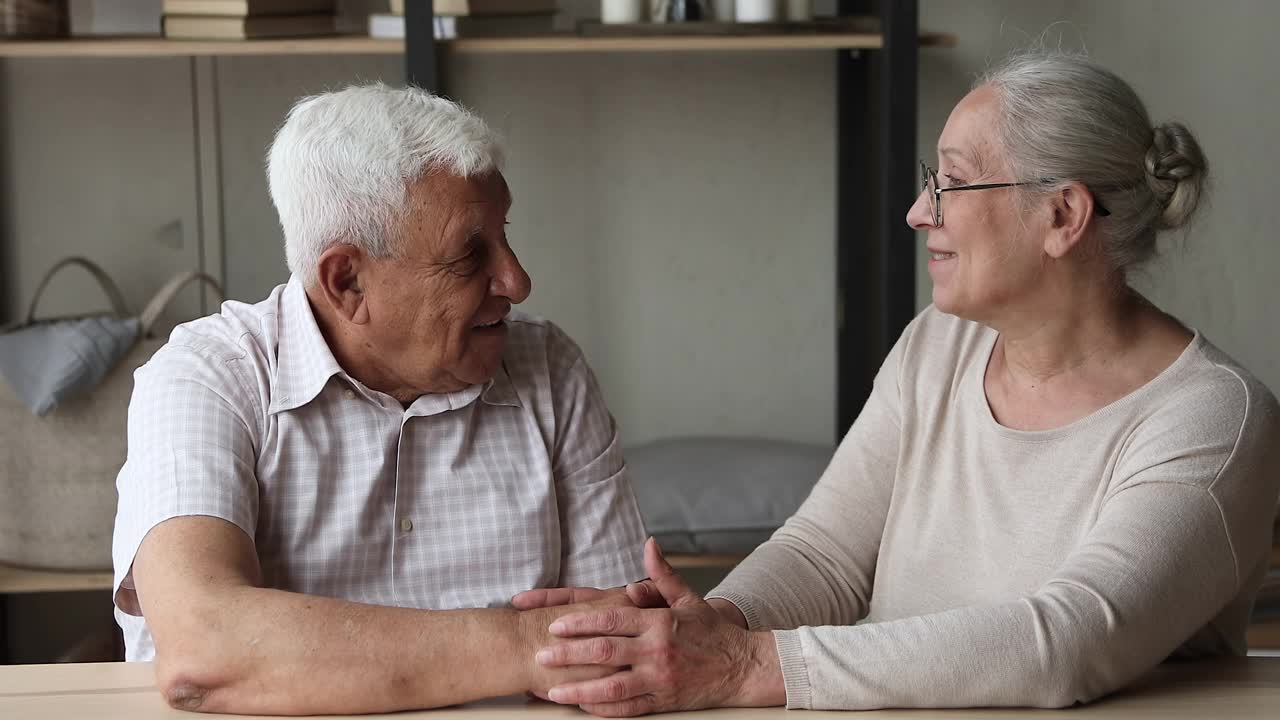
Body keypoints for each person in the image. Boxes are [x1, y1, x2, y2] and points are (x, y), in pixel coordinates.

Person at [515, 51, 1280, 715]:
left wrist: (749, 664)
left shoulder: (1213, 416)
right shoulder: (939, 345)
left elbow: (1069, 641)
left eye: (951, 184)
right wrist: (714, 625)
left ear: (1061, 215)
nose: (919, 213)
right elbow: (825, 554)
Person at [111, 83, 648, 715]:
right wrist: (525, 644)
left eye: (504, 235)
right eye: (470, 252)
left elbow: (624, 646)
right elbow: (205, 647)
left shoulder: (548, 369)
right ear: (348, 282)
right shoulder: (208, 377)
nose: (517, 280)